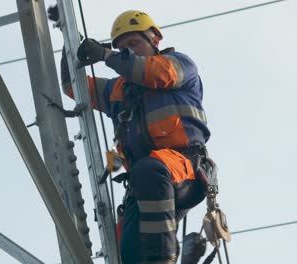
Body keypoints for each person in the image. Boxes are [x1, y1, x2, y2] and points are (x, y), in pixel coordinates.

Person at [57, 9, 210, 264]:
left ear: (155, 41)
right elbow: (73, 87)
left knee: (151, 170)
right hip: (144, 184)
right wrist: (68, 44)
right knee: (127, 252)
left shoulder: (179, 64)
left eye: (134, 43)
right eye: (123, 46)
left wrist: (106, 55)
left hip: (183, 168)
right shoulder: (118, 91)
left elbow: (154, 73)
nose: (130, 50)